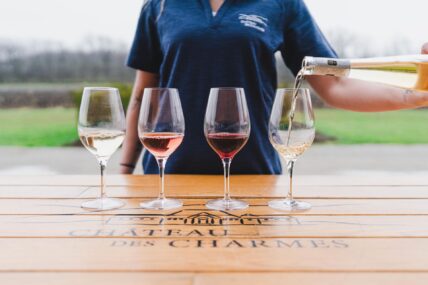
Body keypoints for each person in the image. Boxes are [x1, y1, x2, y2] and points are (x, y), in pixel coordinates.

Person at [120, 0, 428, 175]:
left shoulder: (281, 4)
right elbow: (141, 98)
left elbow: (337, 87)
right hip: (167, 177)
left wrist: (416, 95)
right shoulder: (159, 6)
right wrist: (124, 172)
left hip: (254, 173)